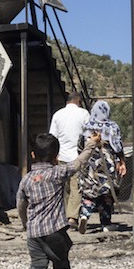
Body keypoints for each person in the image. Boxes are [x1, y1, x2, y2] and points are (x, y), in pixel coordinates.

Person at [17, 131, 100, 269]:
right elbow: (79, 162)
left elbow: (21, 205)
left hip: (34, 234)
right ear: (57, 156)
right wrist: (91, 144)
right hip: (55, 231)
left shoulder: (27, 179)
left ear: (32, 155)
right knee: (62, 264)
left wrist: (25, 223)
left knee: (37, 267)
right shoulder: (58, 172)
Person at [77, 100, 127, 233]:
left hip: (89, 163)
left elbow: (80, 146)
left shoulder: (86, 126)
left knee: (89, 193)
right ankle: (106, 223)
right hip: (107, 164)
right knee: (107, 193)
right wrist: (121, 162)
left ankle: (84, 215)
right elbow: (117, 146)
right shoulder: (112, 126)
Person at [48, 91, 90, 228]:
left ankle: (64, 216)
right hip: (77, 157)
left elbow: (52, 137)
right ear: (78, 101)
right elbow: (89, 135)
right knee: (76, 187)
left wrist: (53, 156)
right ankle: (72, 217)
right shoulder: (84, 114)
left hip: (61, 156)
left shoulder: (57, 115)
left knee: (63, 188)